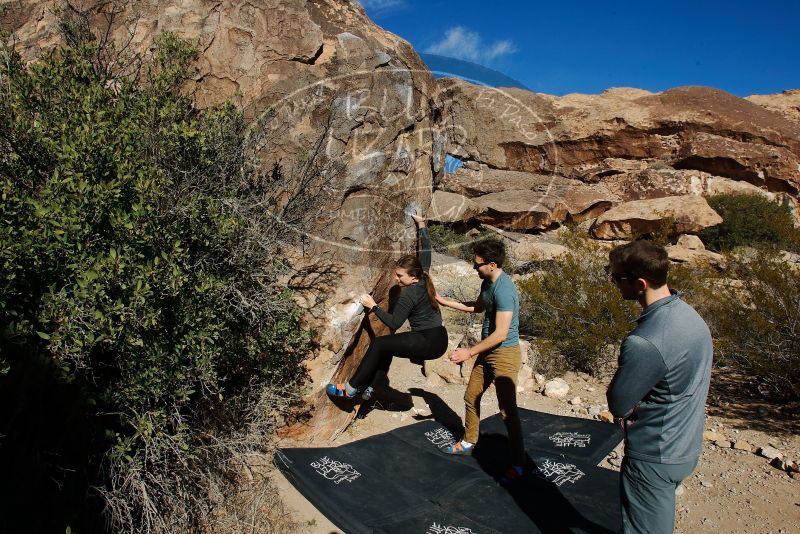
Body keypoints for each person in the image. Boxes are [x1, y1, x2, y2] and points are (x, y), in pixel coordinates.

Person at [606, 240, 713, 534]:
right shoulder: (691, 317)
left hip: (655, 453)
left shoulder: (645, 341)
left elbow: (619, 402)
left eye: (617, 278)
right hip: (686, 445)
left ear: (640, 284)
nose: (614, 284)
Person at [325, 211, 448, 400]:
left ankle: (350, 389)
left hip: (429, 342)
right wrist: (421, 225)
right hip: (438, 337)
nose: (396, 278)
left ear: (412, 277)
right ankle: (372, 388)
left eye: (400, 276)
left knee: (379, 344)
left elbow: (394, 323)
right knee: (388, 346)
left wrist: (373, 306)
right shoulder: (423, 275)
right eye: (396, 274)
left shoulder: (409, 294)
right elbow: (426, 249)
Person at [435, 239, 525, 483]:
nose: (475, 269)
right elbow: (477, 307)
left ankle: (518, 464)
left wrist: (469, 352)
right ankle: (469, 440)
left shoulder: (505, 289)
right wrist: (445, 301)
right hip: (486, 352)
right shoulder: (487, 283)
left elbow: (501, 333)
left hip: (504, 354)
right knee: (470, 396)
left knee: (508, 412)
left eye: (478, 265)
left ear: (492, 264)